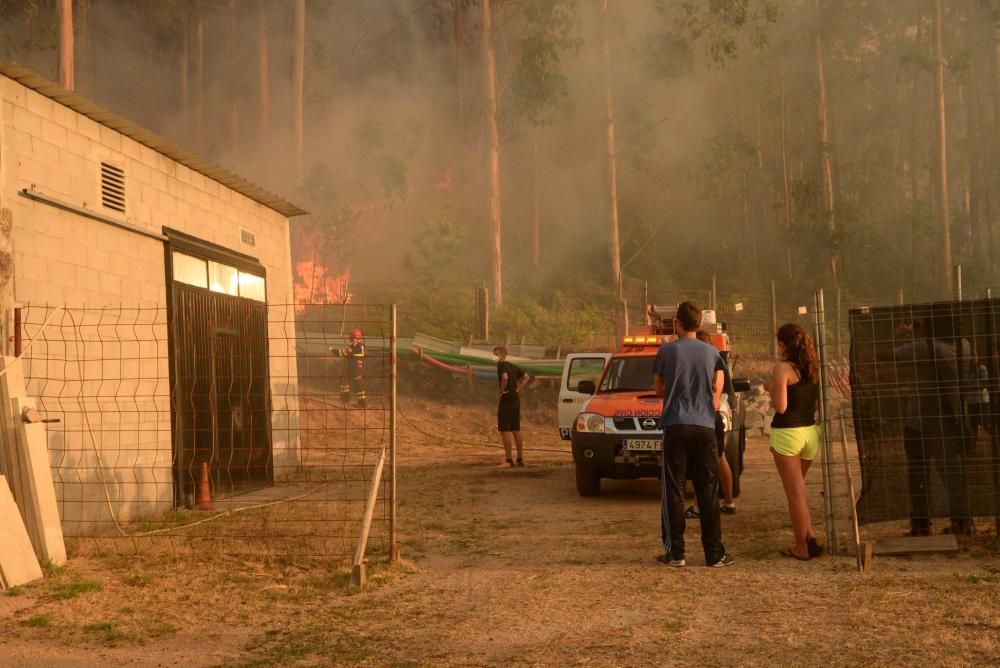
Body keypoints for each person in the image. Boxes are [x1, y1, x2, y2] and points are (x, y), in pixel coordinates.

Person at [653, 301, 734, 568]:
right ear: (698, 325)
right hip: (704, 426)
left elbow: (658, 389)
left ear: (677, 323)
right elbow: (716, 387)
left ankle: (676, 553)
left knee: (674, 490)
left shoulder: (666, 351)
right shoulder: (712, 353)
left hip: (676, 424)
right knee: (708, 489)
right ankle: (714, 553)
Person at [893, 318, 973, 537]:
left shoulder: (926, 347)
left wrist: (900, 335)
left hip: (920, 420)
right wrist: (921, 329)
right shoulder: (963, 345)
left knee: (918, 474)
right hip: (951, 418)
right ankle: (962, 522)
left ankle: (921, 526)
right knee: (952, 473)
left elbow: (888, 355)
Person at [768, 323, 823, 561]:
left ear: (782, 344)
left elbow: (781, 406)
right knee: (799, 490)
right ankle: (809, 536)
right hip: (810, 433)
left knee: (795, 495)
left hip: (788, 435)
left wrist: (771, 391)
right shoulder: (812, 367)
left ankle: (801, 547)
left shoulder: (783, 368)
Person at [695, 329, 737, 514]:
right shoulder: (718, 362)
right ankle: (729, 501)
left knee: (699, 464)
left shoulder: (700, 362)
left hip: (701, 415)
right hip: (715, 415)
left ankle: (699, 506)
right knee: (721, 460)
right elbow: (727, 389)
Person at [494, 346, 531, 467]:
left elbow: (505, 377)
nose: (495, 357)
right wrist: (517, 389)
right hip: (515, 399)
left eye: (496, 354)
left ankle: (508, 460)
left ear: (503, 354)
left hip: (507, 398)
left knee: (505, 430)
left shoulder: (502, 365)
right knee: (516, 429)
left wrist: (501, 391)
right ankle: (520, 459)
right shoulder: (513, 366)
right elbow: (526, 377)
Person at [331, 328, 366, 407]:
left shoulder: (359, 346)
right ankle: (345, 398)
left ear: (357, 337)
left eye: (352, 335)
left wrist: (332, 350)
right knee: (344, 379)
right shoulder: (354, 345)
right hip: (351, 367)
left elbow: (343, 353)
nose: (350, 337)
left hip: (357, 369)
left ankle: (362, 403)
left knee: (358, 385)